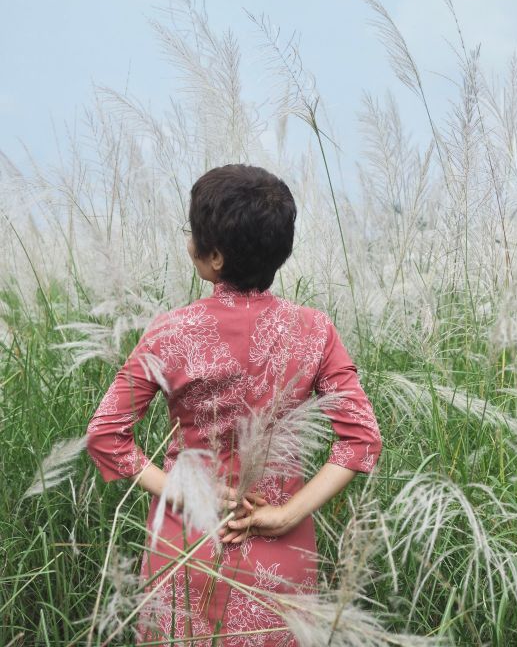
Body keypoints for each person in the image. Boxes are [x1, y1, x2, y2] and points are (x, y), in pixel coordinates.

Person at [86, 164, 382, 646]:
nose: (189, 243)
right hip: (281, 548)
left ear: (216, 256)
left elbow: (105, 434)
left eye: (194, 234)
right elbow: (361, 442)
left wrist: (182, 491)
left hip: (188, 540)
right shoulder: (316, 331)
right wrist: (287, 514)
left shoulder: (171, 332)